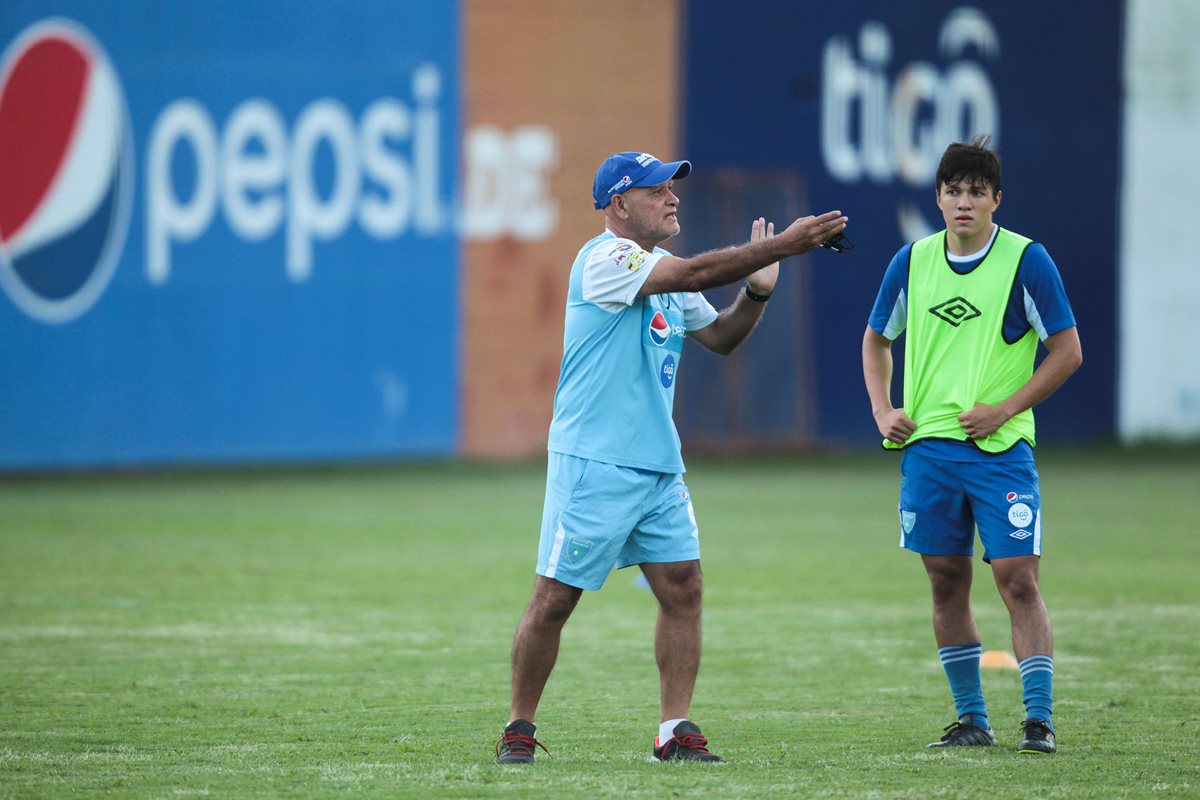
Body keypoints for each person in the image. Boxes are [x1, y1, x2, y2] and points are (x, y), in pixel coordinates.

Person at [495, 151, 848, 764]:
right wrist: (780, 246)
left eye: (671, 188)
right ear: (618, 203)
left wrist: (756, 293)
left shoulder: (663, 273)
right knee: (554, 600)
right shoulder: (604, 259)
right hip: (595, 462)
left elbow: (722, 337)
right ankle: (518, 728)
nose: (673, 197)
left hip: (658, 463)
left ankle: (673, 729)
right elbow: (690, 275)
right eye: (657, 189)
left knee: (684, 587)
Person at [862, 136, 1082, 754]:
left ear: (996, 201)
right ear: (937, 197)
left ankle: (1038, 721)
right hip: (928, 452)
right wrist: (883, 410)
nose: (964, 202)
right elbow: (876, 339)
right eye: (954, 191)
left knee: (1018, 579)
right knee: (944, 581)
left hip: (1000, 450)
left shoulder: (1026, 260)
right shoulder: (911, 261)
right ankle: (972, 720)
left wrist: (1004, 409)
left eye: (976, 193)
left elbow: (1067, 351)